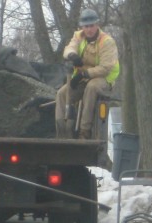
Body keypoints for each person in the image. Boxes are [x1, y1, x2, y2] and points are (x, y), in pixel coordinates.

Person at [55, 8, 119, 139]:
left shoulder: (107, 42)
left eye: (91, 26)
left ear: (97, 25)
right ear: (82, 26)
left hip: (103, 79)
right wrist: (72, 55)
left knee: (91, 88)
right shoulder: (78, 36)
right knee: (62, 94)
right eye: (86, 26)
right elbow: (69, 48)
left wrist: (84, 74)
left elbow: (105, 68)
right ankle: (62, 133)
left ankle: (84, 131)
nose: (89, 29)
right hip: (83, 78)